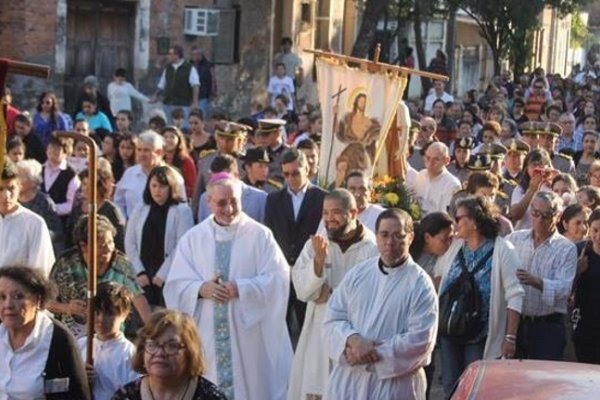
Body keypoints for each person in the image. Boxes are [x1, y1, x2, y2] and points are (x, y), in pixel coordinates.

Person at [164, 177, 293, 399]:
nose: (229, 209)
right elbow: (175, 284)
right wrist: (201, 289)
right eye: (221, 203)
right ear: (209, 203)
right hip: (207, 332)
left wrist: (241, 288)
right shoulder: (193, 239)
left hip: (248, 335)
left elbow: (278, 278)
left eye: (234, 201)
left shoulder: (260, 236)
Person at [323, 209, 438, 399]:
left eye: (398, 236)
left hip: (393, 385)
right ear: (376, 236)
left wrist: (371, 353)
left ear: (410, 237)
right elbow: (332, 317)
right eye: (384, 235)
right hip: (350, 382)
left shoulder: (420, 284)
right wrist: (352, 340)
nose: (390, 242)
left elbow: (421, 340)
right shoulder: (358, 274)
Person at [288, 189, 378, 400]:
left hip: (356, 335)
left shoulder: (371, 248)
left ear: (354, 213)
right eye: (325, 213)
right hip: (319, 333)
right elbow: (301, 291)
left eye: (336, 212)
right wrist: (318, 263)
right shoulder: (315, 245)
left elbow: (375, 293)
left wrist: (332, 294)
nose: (329, 219)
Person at [435, 196, 524, 395]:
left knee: (474, 386)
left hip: (480, 335)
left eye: (458, 218)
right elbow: (439, 278)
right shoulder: (455, 247)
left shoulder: (503, 250)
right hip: (451, 330)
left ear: (474, 221)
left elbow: (515, 294)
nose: (454, 223)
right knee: (450, 385)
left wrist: (510, 337)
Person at [49, 215, 151, 338]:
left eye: (110, 242)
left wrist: (152, 328)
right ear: (84, 246)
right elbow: (46, 302)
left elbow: (138, 298)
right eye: (102, 245)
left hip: (111, 336)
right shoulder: (65, 264)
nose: (109, 249)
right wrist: (67, 308)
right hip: (73, 337)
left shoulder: (122, 264)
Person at [0, 265, 91, 399]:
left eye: (18, 296)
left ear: (38, 300)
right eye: (2, 297)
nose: (8, 305)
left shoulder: (60, 340)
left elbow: (78, 395)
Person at [507, 191, 578, 360]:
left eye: (546, 215)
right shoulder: (514, 240)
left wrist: (537, 282)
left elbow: (564, 289)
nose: (539, 219)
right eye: (535, 213)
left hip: (547, 327)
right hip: (517, 324)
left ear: (558, 216)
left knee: (545, 381)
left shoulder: (566, 249)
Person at [264, 149, 327, 339]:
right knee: (278, 330)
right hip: (282, 273)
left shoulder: (322, 198)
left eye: (295, 173)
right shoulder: (273, 199)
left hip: (309, 273)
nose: (290, 178)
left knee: (308, 332)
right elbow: (270, 236)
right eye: (286, 174)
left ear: (307, 169)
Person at [112, 309, 226, 399]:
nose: (160, 353)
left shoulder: (210, 396)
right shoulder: (125, 396)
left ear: (189, 353)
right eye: (152, 345)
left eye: (171, 346)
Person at [125, 166, 194, 307]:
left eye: (162, 186)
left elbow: (182, 245)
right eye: (154, 186)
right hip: (143, 274)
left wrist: (163, 274)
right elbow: (130, 242)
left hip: (168, 275)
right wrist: (139, 271)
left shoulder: (182, 210)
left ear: (171, 187)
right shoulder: (141, 207)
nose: (157, 190)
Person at [77, 282, 140, 400]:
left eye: (110, 313)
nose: (101, 319)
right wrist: (79, 377)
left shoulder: (130, 355)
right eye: (97, 312)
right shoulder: (80, 345)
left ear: (124, 314)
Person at [114, 131, 186, 219]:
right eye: (139, 149)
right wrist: (124, 222)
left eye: (146, 150)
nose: (141, 154)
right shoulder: (130, 173)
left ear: (159, 152)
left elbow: (182, 209)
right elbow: (119, 202)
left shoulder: (173, 177)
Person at [0, 161, 55, 276]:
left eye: (11, 188)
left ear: (19, 187)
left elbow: (40, 272)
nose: (6, 196)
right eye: (0, 189)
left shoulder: (35, 224)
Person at [197, 155, 268, 223]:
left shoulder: (260, 198)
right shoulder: (205, 198)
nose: (222, 185)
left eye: (225, 179)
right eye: (216, 180)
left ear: (237, 175)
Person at [572, 209, 600, 364]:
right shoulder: (580, 252)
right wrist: (577, 270)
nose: (599, 236)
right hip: (585, 324)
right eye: (595, 230)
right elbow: (565, 288)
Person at [16, 159, 63, 250]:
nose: (17, 181)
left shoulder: (44, 201)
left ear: (33, 182)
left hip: (38, 248)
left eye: (22, 178)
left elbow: (56, 231)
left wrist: (37, 236)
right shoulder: (11, 199)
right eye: (16, 177)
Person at [151, 45, 200, 126]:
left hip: (183, 103)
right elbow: (162, 84)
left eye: (170, 54)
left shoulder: (189, 68)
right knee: (169, 125)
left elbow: (195, 85)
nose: (168, 56)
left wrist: (195, 102)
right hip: (168, 102)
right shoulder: (168, 68)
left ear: (177, 55)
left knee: (182, 125)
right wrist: (155, 95)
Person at [510, 149, 557, 230]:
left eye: (541, 165)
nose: (537, 168)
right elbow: (515, 215)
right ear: (526, 168)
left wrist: (557, 181)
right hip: (523, 233)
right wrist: (532, 190)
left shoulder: (553, 186)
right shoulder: (520, 189)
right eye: (534, 165)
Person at [414, 142, 462, 214]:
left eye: (436, 159)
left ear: (446, 161)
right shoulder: (421, 175)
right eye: (428, 158)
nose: (430, 163)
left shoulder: (452, 185)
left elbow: (447, 216)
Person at [42, 136, 81, 219]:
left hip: (59, 221)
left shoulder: (71, 175)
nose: (52, 151)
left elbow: (71, 205)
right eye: (50, 147)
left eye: (57, 148)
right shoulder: (39, 169)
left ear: (65, 153)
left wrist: (52, 209)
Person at [160, 126, 197, 198]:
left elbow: (192, 187)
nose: (168, 140)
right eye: (165, 137)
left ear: (178, 140)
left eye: (172, 137)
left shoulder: (186, 161)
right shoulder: (157, 159)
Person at [191, 47, 218, 119]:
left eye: (197, 54)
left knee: (201, 115)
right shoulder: (190, 65)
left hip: (204, 94)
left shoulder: (208, 65)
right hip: (191, 96)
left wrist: (213, 92)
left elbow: (213, 79)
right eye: (193, 54)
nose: (195, 56)